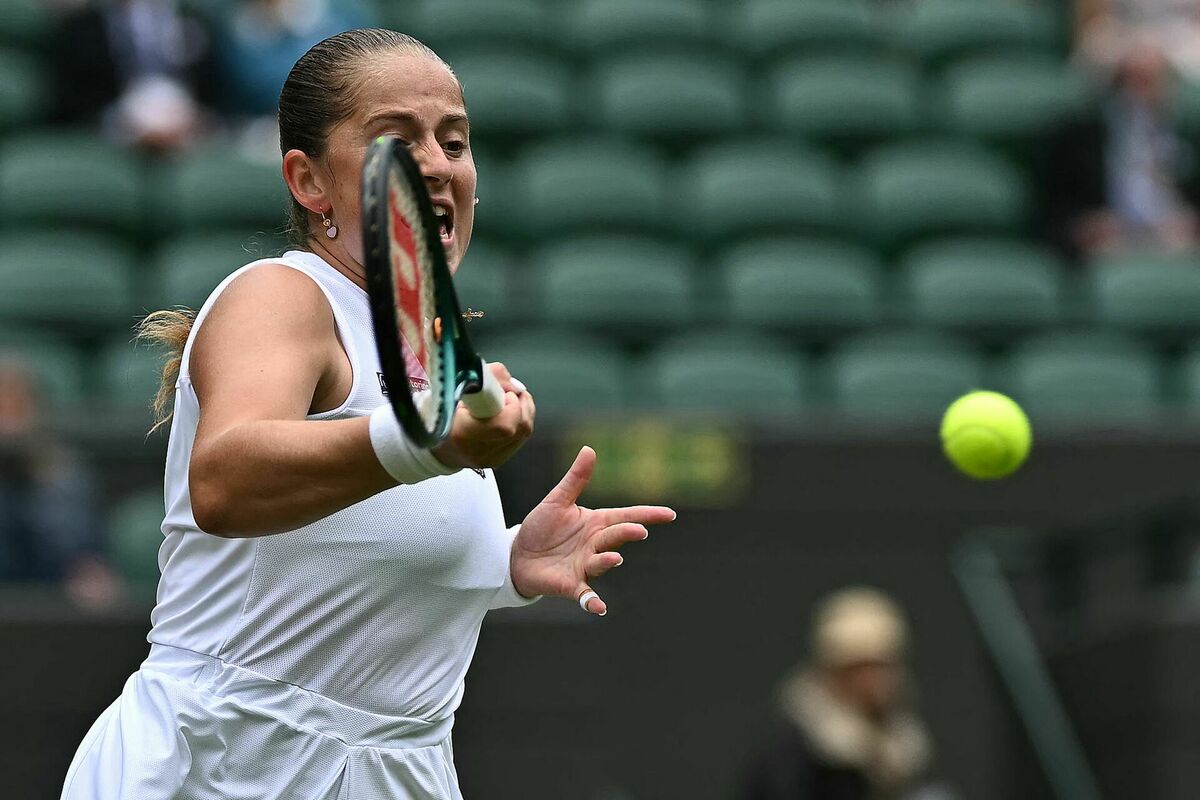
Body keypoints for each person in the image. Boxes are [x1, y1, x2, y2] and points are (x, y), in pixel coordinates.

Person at [60, 29, 675, 800]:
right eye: (397, 140)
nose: (437, 163)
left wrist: (504, 564)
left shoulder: (431, 357)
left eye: (454, 141)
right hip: (225, 767)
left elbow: (353, 557)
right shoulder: (281, 296)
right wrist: (425, 446)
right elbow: (224, 481)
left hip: (396, 773)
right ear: (308, 181)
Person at [741, 588, 944, 800]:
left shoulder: (907, 756)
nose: (873, 682)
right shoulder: (790, 763)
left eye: (881, 667)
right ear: (832, 674)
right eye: (859, 669)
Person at [1039, 39, 1199, 261]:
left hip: (1174, 241)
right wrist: (1085, 227)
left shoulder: (1188, 136)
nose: (1142, 93)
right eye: (1133, 80)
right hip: (1109, 243)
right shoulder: (1080, 139)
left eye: (1153, 81)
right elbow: (1053, 212)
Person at [0, 356, 121, 609]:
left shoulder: (66, 476)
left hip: (47, 612)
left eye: (15, 406)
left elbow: (83, 563)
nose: (7, 421)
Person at [51, 0, 219, 152]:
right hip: (113, 131)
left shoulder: (194, 18)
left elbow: (214, 89)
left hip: (189, 128)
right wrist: (124, 123)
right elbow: (75, 99)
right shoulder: (82, 27)